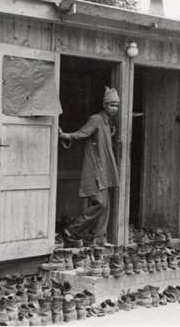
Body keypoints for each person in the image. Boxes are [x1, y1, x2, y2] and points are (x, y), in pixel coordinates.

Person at [59, 86, 120, 246]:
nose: (115, 108)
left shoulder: (108, 122)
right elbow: (83, 133)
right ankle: (72, 230)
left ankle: (100, 238)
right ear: (105, 105)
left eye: (117, 105)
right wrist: (67, 135)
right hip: (96, 167)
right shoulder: (96, 119)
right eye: (112, 105)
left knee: (105, 206)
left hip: (106, 168)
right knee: (100, 203)